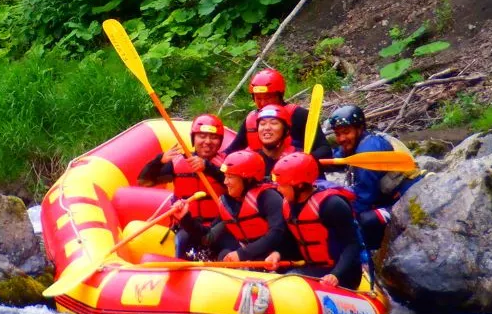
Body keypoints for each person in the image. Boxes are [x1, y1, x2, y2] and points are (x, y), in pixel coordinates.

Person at [327, 104, 422, 252]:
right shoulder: (356, 144)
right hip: (387, 199)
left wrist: (335, 215)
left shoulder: (368, 151)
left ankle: (371, 256)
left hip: (406, 202)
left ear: (360, 128)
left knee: (364, 220)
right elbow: (337, 158)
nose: (342, 138)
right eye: (337, 134)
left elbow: (362, 200)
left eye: (346, 132)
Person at [266, 151, 364, 290]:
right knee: (278, 276)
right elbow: (290, 239)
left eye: (283, 185)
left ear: (299, 185)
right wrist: (278, 253)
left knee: (292, 279)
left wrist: (335, 274)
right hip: (313, 267)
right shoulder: (288, 204)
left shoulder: (332, 205)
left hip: (343, 273)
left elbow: (352, 245)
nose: (278, 189)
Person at [173, 150, 289, 263]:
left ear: (247, 179)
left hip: (277, 259)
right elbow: (208, 238)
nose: (225, 182)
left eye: (230, 177)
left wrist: (241, 254)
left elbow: (277, 234)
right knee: (224, 254)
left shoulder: (268, 197)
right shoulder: (229, 204)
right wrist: (185, 218)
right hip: (252, 262)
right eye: (225, 176)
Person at [138, 114, 226, 259]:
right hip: (187, 225)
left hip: (218, 226)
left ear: (220, 141)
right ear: (193, 139)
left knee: (224, 250)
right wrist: (158, 161)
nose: (207, 142)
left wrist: (208, 167)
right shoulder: (178, 162)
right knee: (182, 242)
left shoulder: (227, 163)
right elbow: (144, 181)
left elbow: (239, 190)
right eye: (202, 136)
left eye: (214, 137)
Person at [224, 68, 332, 161]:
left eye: (268, 97)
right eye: (258, 98)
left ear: (280, 95)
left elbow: (325, 150)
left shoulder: (299, 115)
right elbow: (232, 151)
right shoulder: (251, 119)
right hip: (264, 176)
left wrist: (305, 159)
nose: (263, 103)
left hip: (295, 172)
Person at [254, 104, 297, 179]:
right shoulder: (252, 160)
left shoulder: (298, 158)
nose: (267, 128)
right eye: (262, 124)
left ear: (286, 130)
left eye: (274, 123)